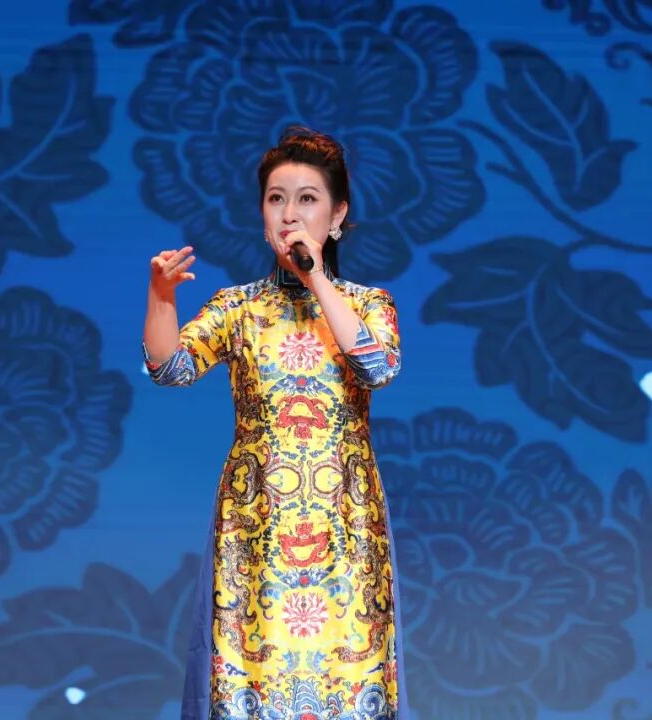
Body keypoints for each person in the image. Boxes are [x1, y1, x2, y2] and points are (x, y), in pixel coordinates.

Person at [143, 127, 409, 719]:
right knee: (252, 685)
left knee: (348, 683)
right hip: (256, 524)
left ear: (337, 216)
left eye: (308, 199)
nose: (290, 214)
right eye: (276, 199)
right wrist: (161, 295)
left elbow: (377, 367)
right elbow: (170, 369)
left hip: (344, 525)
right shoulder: (237, 307)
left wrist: (315, 277)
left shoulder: (368, 303)